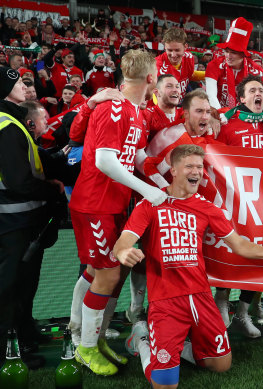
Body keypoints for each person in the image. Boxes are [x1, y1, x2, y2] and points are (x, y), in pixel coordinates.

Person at [118, 144, 263, 389]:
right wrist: (124, 251)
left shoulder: (207, 208)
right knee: (164, 385)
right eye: (189, 166)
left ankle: (174, 350)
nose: (196, 171)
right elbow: (123, 242)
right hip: (166, 301)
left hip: (200, 297)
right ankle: (142, 340)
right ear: (174, 170)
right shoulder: (151, 203)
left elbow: (238, 244)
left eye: (199, 166)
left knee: (221, 365)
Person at [68, 50, 167, 376]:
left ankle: (90, 339)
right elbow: (105, 161)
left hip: (113, 204)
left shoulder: (135, 111)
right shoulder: (113, 108)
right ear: (151, 78)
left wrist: (159, 182)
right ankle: (84, 347)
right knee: (107, 273)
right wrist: (146, 190)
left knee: (109, 271)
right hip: (95, 203)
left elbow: (134, 154)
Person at [0, 67, 64, 368]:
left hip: (16, 220)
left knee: (19, 287)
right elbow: (19, 181)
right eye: (16, 83)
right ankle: (11, 350)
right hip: (14, 223)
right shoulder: (7, 125)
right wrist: (51, 189)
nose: (24, 87)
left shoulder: (10, 121)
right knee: (12, 288)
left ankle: (23, 334)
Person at [215, 75, 263, 337]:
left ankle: (243, 313)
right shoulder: (228, 126)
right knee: (229, 254)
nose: (259, 95)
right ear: (241, 98)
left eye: (261, 91)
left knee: (259, 257)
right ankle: (222, 302)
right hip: (234, 203)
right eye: (252, 91)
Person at [205, 18, 263, 114]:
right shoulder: (214, 65)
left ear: (243, 54)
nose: (228, 56)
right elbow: (211, 95)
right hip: (221, 116)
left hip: (247, 117)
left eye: (233, 53)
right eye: (226, 51)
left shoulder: (256, 70)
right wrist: (222, 117)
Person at [155, 27, 205, 100]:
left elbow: (189, 75)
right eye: (169, 50)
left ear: (185, 47)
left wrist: (209, 75)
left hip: (180, 105)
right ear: (165, 47)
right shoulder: (157, 65)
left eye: (177, 50)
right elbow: (153, 91)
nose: (173, 55)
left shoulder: (189, 57)